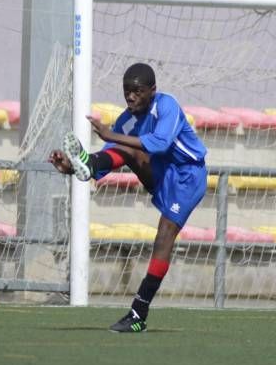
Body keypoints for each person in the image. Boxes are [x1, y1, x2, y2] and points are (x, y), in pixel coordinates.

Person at [49, 62, 207, 333]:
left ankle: (138, 313)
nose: (131, 97)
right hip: (161, 172)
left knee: (164, 235)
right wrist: (74, 168)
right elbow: (113, 151)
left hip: (188, 177)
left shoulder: (166, 105)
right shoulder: (128, 120)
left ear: (152, 91)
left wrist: (111, 134)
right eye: (127, 91)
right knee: (118, 150)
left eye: (137, 91)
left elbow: (161, 143)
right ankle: (84, 164)